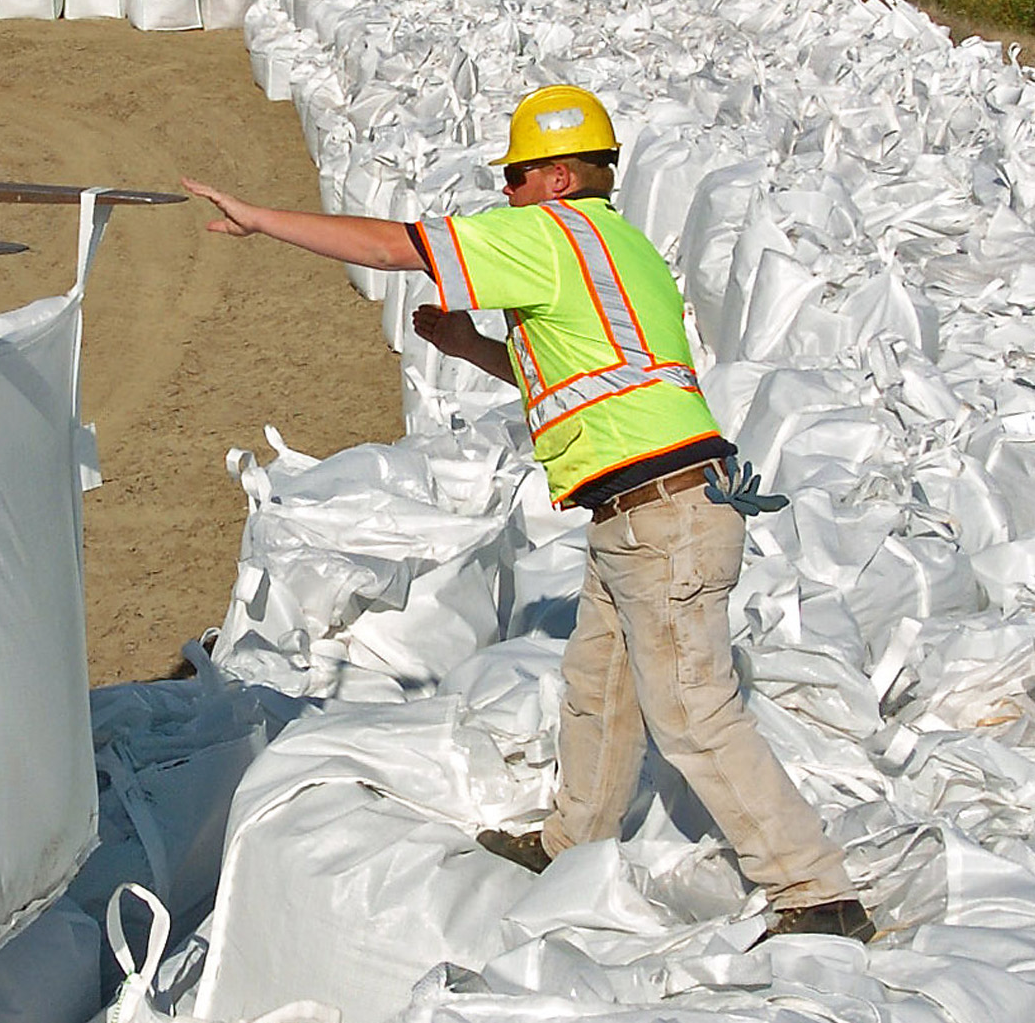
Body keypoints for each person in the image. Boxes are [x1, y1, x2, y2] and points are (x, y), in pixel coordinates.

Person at [183, 83, 873, 939]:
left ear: (552, 178)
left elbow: (397, 247)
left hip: (659, 512)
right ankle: (571, 839)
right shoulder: (619, 248)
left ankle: (815, 894)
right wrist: (473, 347)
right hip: (645, 508)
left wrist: (262, 219)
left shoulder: (547, 233)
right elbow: (590, 387)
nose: (501, 196)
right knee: (600, 686)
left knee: (692, 710)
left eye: (511, 178)